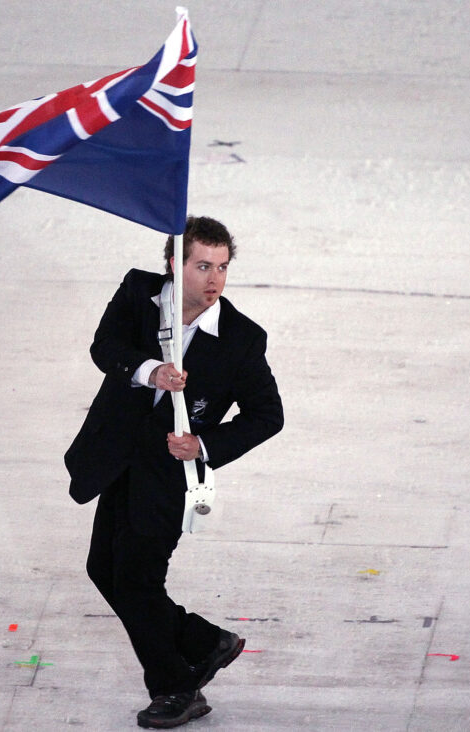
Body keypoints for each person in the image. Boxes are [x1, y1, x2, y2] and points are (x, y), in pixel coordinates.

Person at [64, 216, 284, 728]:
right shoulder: (140, 293)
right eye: (203, 265)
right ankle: (205, 642)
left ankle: (175, 689)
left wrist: (203, 444)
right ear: (174, 264)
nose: (214, 280)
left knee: (137, 582)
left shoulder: (241, 339)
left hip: (167, 478)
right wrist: (150, 370)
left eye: (223, 268)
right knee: (104, 570)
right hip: (116, 456)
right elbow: (106, 347)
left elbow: (267, 416)